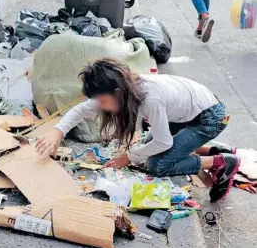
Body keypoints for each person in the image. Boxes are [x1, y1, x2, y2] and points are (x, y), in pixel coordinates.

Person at [36, 58, 240, 203]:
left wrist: (129, 157)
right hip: (187, 112)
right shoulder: (123, 89)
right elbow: (82, 110)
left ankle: (222, 162)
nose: (101, 107)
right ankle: (211, 150)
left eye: (104, 101)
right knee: (150, 144)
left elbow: (164, 143)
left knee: (158, 164)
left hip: (210, 117)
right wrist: (58, 131)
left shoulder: (150, 98)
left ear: (117, 93)